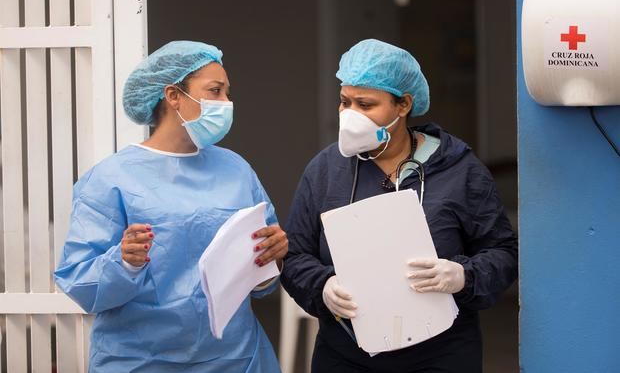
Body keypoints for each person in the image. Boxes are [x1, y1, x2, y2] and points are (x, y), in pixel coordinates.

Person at [280, 39, 518, 373]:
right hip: (346, 354)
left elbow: (503, 252)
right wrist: (322, 287)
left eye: (366, 105)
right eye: (345, 102)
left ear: (403, 104)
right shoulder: (325, 172)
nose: (350, 115)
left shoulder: (459, 170)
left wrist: (464, 276)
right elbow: (294, 256)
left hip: (441, 354)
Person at [55, 40, 287, 372]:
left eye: (227, 93)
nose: (226, 103)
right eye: (215, 91)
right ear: (173, 96)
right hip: (140, 360)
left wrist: (271, 259)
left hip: (232, 358)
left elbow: (261, 278)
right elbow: (80, 281)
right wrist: (123, 262)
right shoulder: (111, 178)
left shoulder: (236, 170)